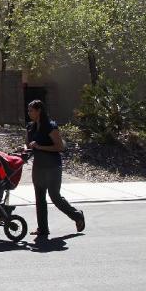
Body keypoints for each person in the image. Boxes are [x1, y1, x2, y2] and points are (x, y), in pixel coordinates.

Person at [26, 99, 85, 240]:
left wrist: (39, 146)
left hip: (53, 166)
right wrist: (25, 148)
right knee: (39, 198)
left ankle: (77, 215)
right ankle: (43, 229)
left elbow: (60, 147)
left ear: (39, 110)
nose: (29, 113)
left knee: (55, 196)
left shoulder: (50, 126)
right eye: (28, 110)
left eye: (31, 110)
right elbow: (28, 145)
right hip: (38, 166)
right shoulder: (30, 127)